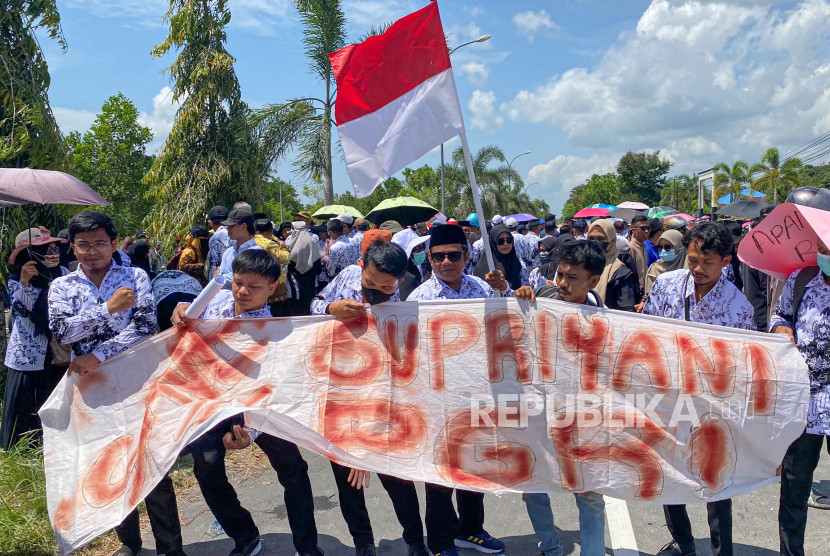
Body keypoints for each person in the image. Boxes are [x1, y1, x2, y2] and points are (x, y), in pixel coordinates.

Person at [47, 210, 186, 556]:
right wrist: (107, 309)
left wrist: (98, 354)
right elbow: (62, 332)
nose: (92, 251)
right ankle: (130, 543)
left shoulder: (135, 277)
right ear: (73, 248)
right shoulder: (61, 286)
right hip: (93, 392)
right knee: (110, 464)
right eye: (83, 245)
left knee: (153, 465)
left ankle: (171, 548)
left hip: (138, 382)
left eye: (99, 244)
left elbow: (142, 328)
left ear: (112, 243)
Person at [172, 250, 324, 556]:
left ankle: (307, 547)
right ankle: (245, 537)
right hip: (213, 404)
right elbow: (183, 321)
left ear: (271, 288)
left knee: (293, 470)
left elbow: (273, 387)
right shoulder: (213, 304)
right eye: (238, 282)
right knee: (206, 471)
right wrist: (181, 309)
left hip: (260, 409)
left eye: (253, 287)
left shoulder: (276, 331)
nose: (242, 291)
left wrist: (249, 431)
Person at [310, 240, 430, 556]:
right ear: (362, 268)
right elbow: (314, 305)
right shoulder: (347, 276)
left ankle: (416, 541)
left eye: (385, 288)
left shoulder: (412, 298)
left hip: (386, 396)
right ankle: (363, 543)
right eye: (369, 284)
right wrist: (329, 308)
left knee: (397, 479)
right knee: (348, 479)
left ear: (400, 281)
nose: (375, 291)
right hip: (341, 394)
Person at [642, 222, 756, 556]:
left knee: (716, 481)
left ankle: (723, 550)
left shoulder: (738, 308)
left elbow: (744, 366)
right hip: (669, 400)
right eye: (693, 260)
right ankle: (684, 542)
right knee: (670, 475)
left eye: (707, 262)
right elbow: (644, 334)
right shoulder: (666, 286)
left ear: (726, 260)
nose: (698, 269)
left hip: (713, 407)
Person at [408, 223, 509, 556]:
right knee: (439, 473)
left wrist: (505, 289)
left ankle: (471, 529)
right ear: (430, 259)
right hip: (438, 398)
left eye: (453, 255)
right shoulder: (419, 298)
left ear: (466, 256)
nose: (446, 262)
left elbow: (508, 323)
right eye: (438, 256)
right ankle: (439, 541)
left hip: (478, 393)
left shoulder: (482, 287)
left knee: (474, 465)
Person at [514, 241, 608, 556]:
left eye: (573, 278)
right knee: (533, 486)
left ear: (593, 281)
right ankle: (550, 547)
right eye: (560, 274)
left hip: (583, 418)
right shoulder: (542, 298)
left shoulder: (606, 319)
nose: (563, 284)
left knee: (589, 494)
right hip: (538, 412)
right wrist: (519, 300)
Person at [770, 234, 830, 555]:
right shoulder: (802, 279)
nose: (825, 255)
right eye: (822, 249)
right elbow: (779, 316)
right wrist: (780, 328)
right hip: (803, 402)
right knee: (794, 490)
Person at [1, 228, 69, 450]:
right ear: (28, 254)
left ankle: (54, 445)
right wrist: (25, 285)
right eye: (43, 248)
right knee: (25, 401)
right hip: (28, 353)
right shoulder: (15, 281)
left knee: (52, 396)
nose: (51, 251)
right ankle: (22, 448)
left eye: (53, 247)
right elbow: (22, 311)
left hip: (57, 352)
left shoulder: (64, 273)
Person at [586, 220, 637, 311]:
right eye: (591, 238)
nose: (595, 242)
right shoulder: (580, 264)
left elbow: (626, 309)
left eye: (600, 239)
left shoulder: (620, 272)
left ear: (611, 241)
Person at [474, 224, 529, 291]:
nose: (505, 244)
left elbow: (525, 286)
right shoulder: (482, 266)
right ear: (493, 242)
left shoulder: (519, 263)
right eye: (500, 241)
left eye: (509, 240)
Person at [216, 208, 262, 284]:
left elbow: (247, 280)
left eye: (232, 226)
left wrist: (222, 278)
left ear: (244, 226)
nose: (228, 229)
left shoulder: (256, 253)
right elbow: (219, 276)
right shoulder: (228, 252)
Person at [286, 224, 323, 316]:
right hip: (310, 285)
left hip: (294, 287)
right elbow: (318, 270)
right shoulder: (313, 245)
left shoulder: (288, 247)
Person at [644, 230, 687, 294]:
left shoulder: (687, 269)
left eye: (668, 247)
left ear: (679, 247)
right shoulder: (654, 268)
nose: (663, 250)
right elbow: (649, 295)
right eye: (660, 246)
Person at [391, 228, 429, 300]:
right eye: (417, 249)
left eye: (422, 246)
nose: (421, 251)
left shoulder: (413, 268)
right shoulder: (405, 276)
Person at [208, 205, 232, 277]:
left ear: (211, 223)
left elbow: (218, 263)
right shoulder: (235, 232)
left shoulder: (215, 238)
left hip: (222, 278)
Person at [628, 215, 650, 295]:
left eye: (648, 228)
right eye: (643, 229)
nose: (647, 231)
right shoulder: (631, 248)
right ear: (633, 230)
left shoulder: (643, 247)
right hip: (635, 292)